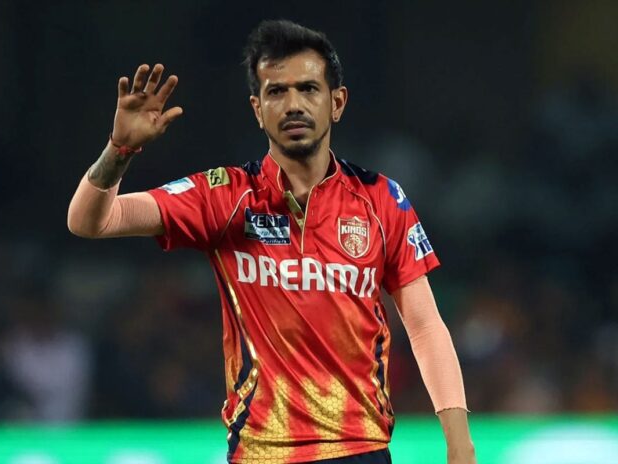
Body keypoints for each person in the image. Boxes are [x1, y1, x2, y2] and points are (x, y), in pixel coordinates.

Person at [68, 19, 476, 464]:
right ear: (258, 109)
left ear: (337, 102)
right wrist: (119, 150)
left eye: (308, 89)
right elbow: (91, 221)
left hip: (360, 449)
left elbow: (425, 326)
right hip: (260, 453)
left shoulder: (381, 199)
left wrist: (460, 444)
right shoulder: (224, 196)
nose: (293, 104)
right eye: (276, 92)